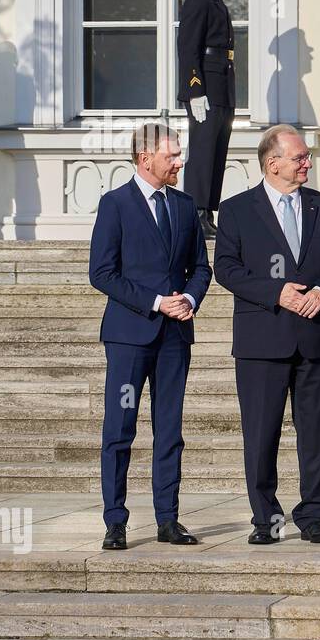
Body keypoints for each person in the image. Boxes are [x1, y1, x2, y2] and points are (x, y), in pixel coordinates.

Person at [213, 125, 320, 545]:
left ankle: (314, 516)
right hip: (262, 341)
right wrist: (277, 293)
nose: (307, 162)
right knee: (261, 434)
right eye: (300, 157)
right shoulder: (236, 210)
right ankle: (266, 520)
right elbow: (227, 269)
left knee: (318, 434)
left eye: (306, 156)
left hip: (314, 337)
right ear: (273, 163)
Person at [89, 123, 211, 550]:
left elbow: (201, 267)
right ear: (146, 159)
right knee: (119, 429)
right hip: (129, 338)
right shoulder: (115, 204)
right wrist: (157, 301)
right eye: (173, 155)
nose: (180, 162)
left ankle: (167, 519)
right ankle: (116, 522)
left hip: (175, 338)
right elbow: (102, 274)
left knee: (170, 430)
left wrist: (190, 300)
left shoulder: (184, 205)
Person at [177, 0, 236, 238]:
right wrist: (194, 89)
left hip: (221, 84)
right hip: (206, 87)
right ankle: (197, 214)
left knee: (216, 149)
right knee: (202, 150)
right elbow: (188, 48)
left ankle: (208, 212)